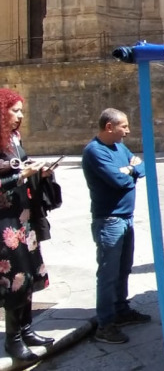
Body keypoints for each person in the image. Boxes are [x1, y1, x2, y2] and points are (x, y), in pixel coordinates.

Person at [82, 108, 152, 345]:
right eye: (124, 126)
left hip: (126, 217)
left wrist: (131, 169)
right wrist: (131, 170)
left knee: (124, 269)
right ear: (109, 127)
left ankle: (121, 310)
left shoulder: (119, 147)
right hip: (109, 220)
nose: (128, 131)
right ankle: (105, 324)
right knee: (108, 274)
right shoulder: (94, 152)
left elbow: (141, 166)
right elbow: (119, 181)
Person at [0, 89, 53, 361]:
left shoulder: (14, 139)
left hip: (23, 220)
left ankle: (27, 329)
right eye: (15, 110)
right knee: (15, 280)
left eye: (21, 110)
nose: (20, 115)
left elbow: (20, 167)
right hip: (4, 224)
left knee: (29, 274)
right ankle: (13, 340)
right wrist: (21, 177)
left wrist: (39, 172)